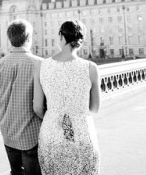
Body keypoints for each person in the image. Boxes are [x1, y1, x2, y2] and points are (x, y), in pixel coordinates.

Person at [33, 20, 101, 175]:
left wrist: (54, 115)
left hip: (51, 135)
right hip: (82, 135)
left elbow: (37, 108)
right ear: (79, 42)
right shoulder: (90, 68)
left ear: (61, 36)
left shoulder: (41, 66)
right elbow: (95, 108)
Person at [0, 19, 43, 175]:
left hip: (8, 133)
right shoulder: (40, 64)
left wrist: (4, 118)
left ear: (10, 39)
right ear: (29, 38)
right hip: (32, 135)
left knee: (15, 172)